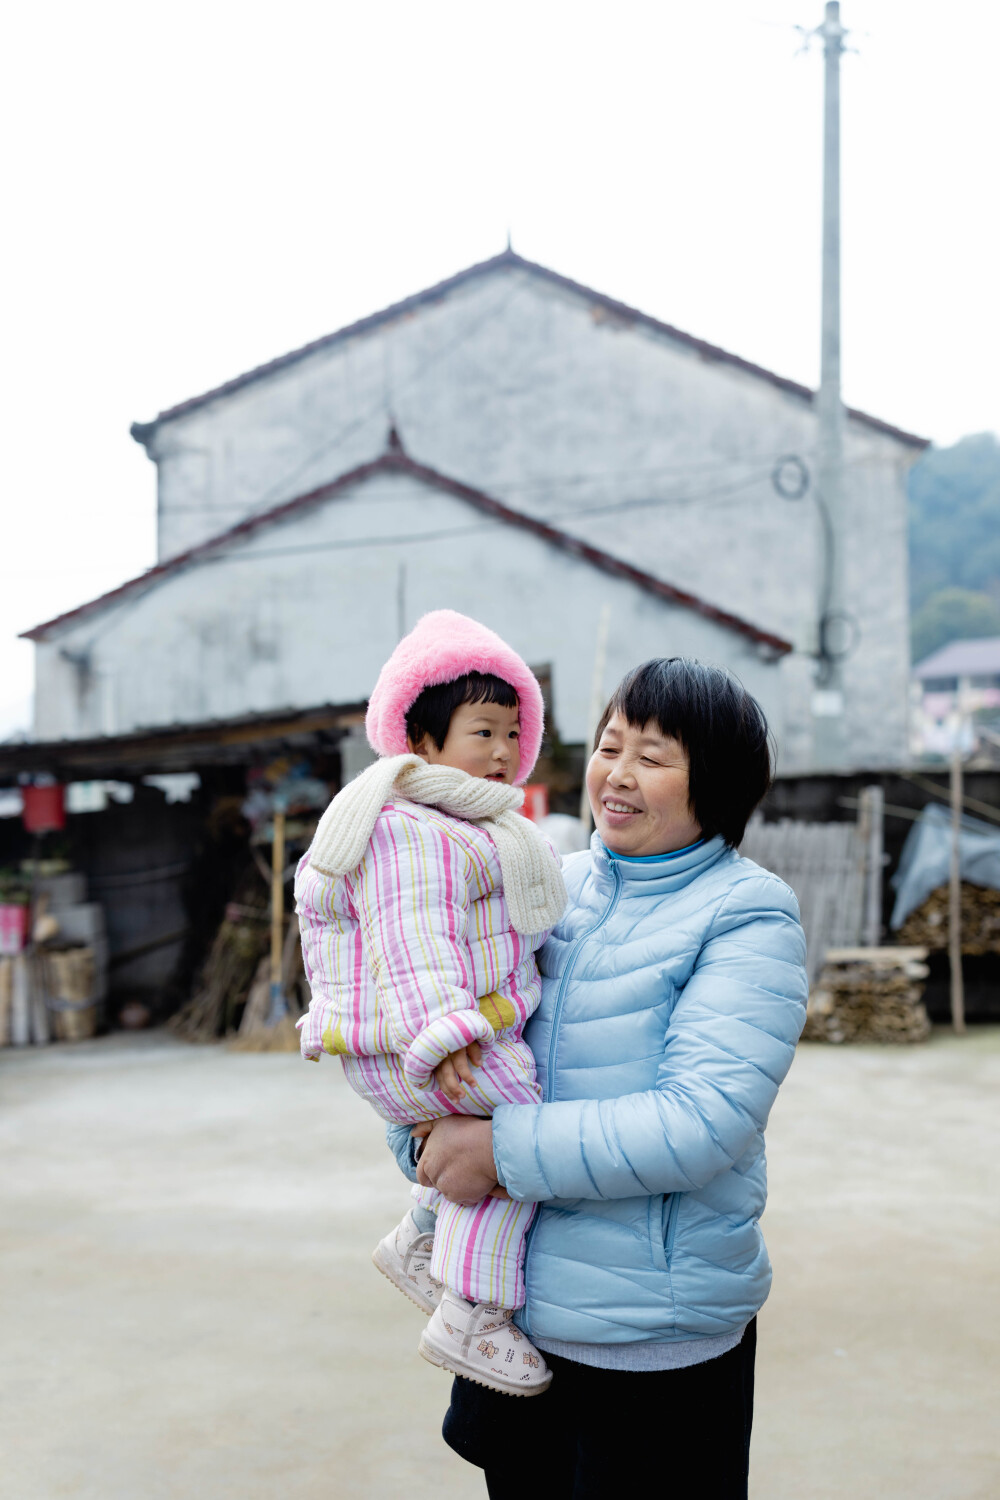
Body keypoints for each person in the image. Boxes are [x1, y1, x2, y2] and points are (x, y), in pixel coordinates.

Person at [403, 657, 809, 1497]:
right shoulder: (552, 883)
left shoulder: (747, 913)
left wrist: (495, 1149)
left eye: (653, 757)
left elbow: (699, 1124)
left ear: (718, 784)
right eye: (609, 746)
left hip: (652, 1349)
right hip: (513, 1328)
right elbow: (466, 1031)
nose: (616, 777)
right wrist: (420, 1129)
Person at [295, 610, 566, 1396]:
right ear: (420, 742)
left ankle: (419, 1236)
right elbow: (411, 936)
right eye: (482, 732)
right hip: (433, 1041)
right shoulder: (414, 829)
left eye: (514, 733)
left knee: (494, 1148)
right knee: (518, 1148)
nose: (503, 752)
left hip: (414, 1037)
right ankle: (473, 1316)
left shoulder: (462, 822)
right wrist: (446, 1033)